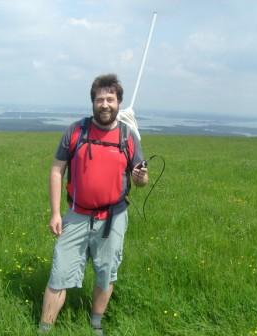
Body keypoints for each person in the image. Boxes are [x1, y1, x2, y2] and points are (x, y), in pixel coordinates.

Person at [38, 74, 148, 335]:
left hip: (113, 217)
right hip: (76, 215)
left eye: (111, 99)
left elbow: (141, 180)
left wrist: (141, 178)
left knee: (106, 271)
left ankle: (95, 323)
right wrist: (55, 213)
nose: (105, 104)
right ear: (93, 103)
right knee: (59, 272)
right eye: (100, 99)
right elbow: (56, 171)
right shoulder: (76, 131)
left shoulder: (128, 136)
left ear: (119, 102)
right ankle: (44, 328)